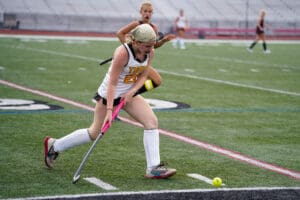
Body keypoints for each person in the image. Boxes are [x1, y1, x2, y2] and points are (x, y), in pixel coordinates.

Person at [44, 24, 176, 179]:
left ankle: (153, 168)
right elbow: (112, 83)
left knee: (151, 122)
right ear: (137, 43)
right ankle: (54, 145)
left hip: (128, 94)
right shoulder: (122, 53)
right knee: (94, 132)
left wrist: (132, 92)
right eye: (147, 45)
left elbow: (143, 75)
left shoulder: (150, 52)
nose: (150, 49)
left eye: (152, 45)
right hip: (109, 96)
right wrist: (109, 110)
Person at [116, 0, 175, 95]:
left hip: (144, 61)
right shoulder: (136, 24)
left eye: (150, 11)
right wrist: (128, 46)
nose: (147, 14)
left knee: (157, 81)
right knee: (126, 80)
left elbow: (153, 46)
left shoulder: (154, 27)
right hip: (132, 60)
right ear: (141, 12)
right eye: (145, 11)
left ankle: (131, 94)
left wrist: (163, 41)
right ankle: (126, 94)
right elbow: (120, 33)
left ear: (152, 13)